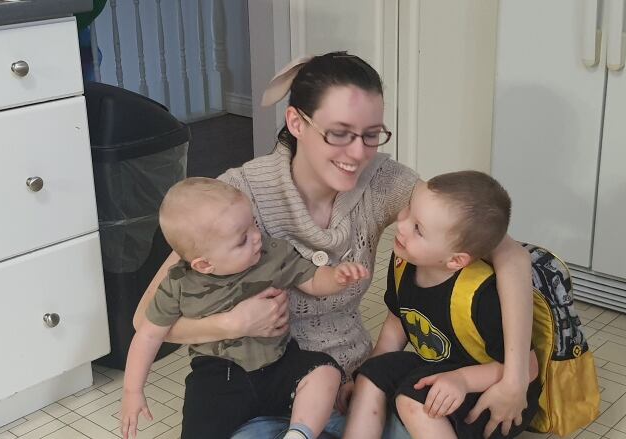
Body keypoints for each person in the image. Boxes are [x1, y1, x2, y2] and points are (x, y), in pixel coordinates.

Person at [134, 51, 536, 438]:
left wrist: (514, 379)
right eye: (340, 133)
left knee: (419, 418)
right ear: (296, 122)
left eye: (371, 135)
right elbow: (148, 321)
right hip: (263, 386)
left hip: (354, 386)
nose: (358, 153)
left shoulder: (385, 182)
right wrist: (231, 323)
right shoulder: (239, 197)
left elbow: (508, 253)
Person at [121, 178, 370, 439]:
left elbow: (312, 280)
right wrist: (132, 391)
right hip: (219, 374)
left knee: (325, 371)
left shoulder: (272, 254)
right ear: (204, 265)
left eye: (253, 222)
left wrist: (336, 278)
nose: (256, 237)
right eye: (241, 240)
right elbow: (148, 335)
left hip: (279, 361)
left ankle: (299, 433)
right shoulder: (179, 285)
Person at [344, 171, 541, 439]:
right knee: (369, 374)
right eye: (408, 211)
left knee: (413, 401)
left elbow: (527, 368)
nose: (401, 225)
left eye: (418, 229)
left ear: (456, 260)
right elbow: (396, 322)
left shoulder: (482, 296)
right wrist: (370, 373)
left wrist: (462, 379)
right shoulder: (405, 261)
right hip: (438, 370)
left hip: (491, 391)